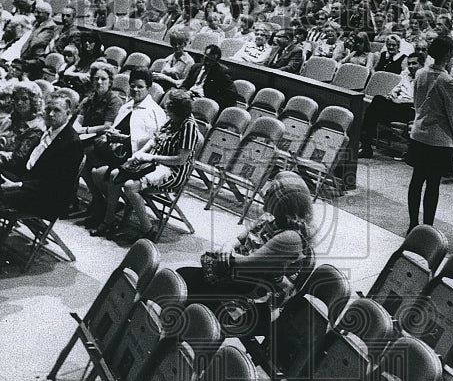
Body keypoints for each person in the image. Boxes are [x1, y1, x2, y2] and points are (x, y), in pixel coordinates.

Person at [0, 92, 83, 281]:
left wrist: (18, 184)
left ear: (68, 113)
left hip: (44, 196)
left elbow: (56, 184)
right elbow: (27, 162)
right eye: (48, 110)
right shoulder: (48, 131)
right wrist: (5, 171)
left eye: (57, 111)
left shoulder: (71, 142)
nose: (51, 114)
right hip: (26, 179)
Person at [177, 171, 315, 333]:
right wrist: (227, 247)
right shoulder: (268, 217)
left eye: (271, 192)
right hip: (235, 279)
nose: (265, 193)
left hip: (253, 296)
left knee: (189, 295)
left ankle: (180, 342)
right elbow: (240, 239)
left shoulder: (290, 237)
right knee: (183, 279)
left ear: (284, 202)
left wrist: (225, 256)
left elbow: (249, 264)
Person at [91, 89, 199, 240]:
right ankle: (109, 220)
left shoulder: (189, 127)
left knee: (130, 186)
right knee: (115, 175)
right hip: (153, 161)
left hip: (172, 170)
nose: (168, 115)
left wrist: (151, 157)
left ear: (179, 112)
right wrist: (139, 154)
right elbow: (154, 139)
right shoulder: (173, 119)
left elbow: (180, 159)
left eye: (170, 112)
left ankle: (148, 230)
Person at [84, 69, 167, 225]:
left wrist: (122, 139)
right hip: (117, 152)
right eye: (132, 86)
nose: (135, 90)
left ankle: (107, 216)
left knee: (104, 173)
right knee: (85, 162)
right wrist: (111, 134)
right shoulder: (127, 106)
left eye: (140, 87)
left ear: (148, 88)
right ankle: (103, 204)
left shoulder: (154, 112)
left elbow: (153, 143)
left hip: (138, 159)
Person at [405, 35, 453, 231]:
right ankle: (427, 226)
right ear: (448, 55)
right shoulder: (448, 81)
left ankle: (413, 223)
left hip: (419, 133)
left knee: (416, 179)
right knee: (432, 184)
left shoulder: (420, 73)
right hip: (438, 138)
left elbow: (416, 102)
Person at [183, 43, 239, 109]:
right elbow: (185, 85)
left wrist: (212, 103)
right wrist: (184, 92)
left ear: (217, 61)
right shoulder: (195, 67)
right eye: (206, 59)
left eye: (211, 61)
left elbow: (231, 94)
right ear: (203, 55)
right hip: (188, 97)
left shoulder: (221, 73)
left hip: (203, 102)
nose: (207, 63)